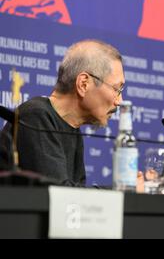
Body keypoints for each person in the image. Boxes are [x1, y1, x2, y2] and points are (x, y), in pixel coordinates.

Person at [0, 39, 125, 186]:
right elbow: (60, 195)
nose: (119, 101)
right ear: (83, 84)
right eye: (117, 89)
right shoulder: (35, 117)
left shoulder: (72, 128)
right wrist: (120, 192)